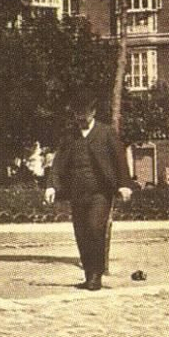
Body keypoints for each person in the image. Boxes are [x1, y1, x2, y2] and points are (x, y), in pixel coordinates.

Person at [44, 99, 132, 291]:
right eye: (78, 115)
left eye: (84, 114)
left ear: (93, 112)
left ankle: (95, 275)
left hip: (100, 192)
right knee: (81, 233)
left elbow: (119, 159)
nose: (81, 119)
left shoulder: (106, 132)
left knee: (95, 228)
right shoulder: (70, 136)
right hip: (77, 192)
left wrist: (124, 184)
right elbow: (59, 163)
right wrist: (51, 186)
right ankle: (88, 274)